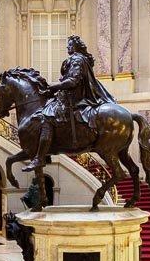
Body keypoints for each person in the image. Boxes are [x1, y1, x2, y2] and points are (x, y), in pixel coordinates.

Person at [22, 35, 115, 172]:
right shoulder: (79, 59)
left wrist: (54, 86)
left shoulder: (77, 59)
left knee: (46, 117)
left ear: (76, 47)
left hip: (74, 98)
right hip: (70, 96)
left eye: (70, 45)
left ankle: (40, 158)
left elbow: (73, 81)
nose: (67, 47)